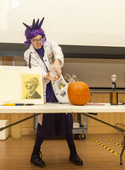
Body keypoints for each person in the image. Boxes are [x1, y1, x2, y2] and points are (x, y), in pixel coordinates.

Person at [23, 17, 83, 167]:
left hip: (59, 88)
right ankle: (35, 154)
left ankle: (73, 153)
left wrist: (57, 62)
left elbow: (58, 51)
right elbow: (36, 72)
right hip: (46, 90)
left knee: (67, 121)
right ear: (29, 41)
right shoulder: (28, 54)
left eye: (40, 39)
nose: (38, 42)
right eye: (34, 40)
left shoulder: (49, 43)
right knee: (45, 124)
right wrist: (46, 76)